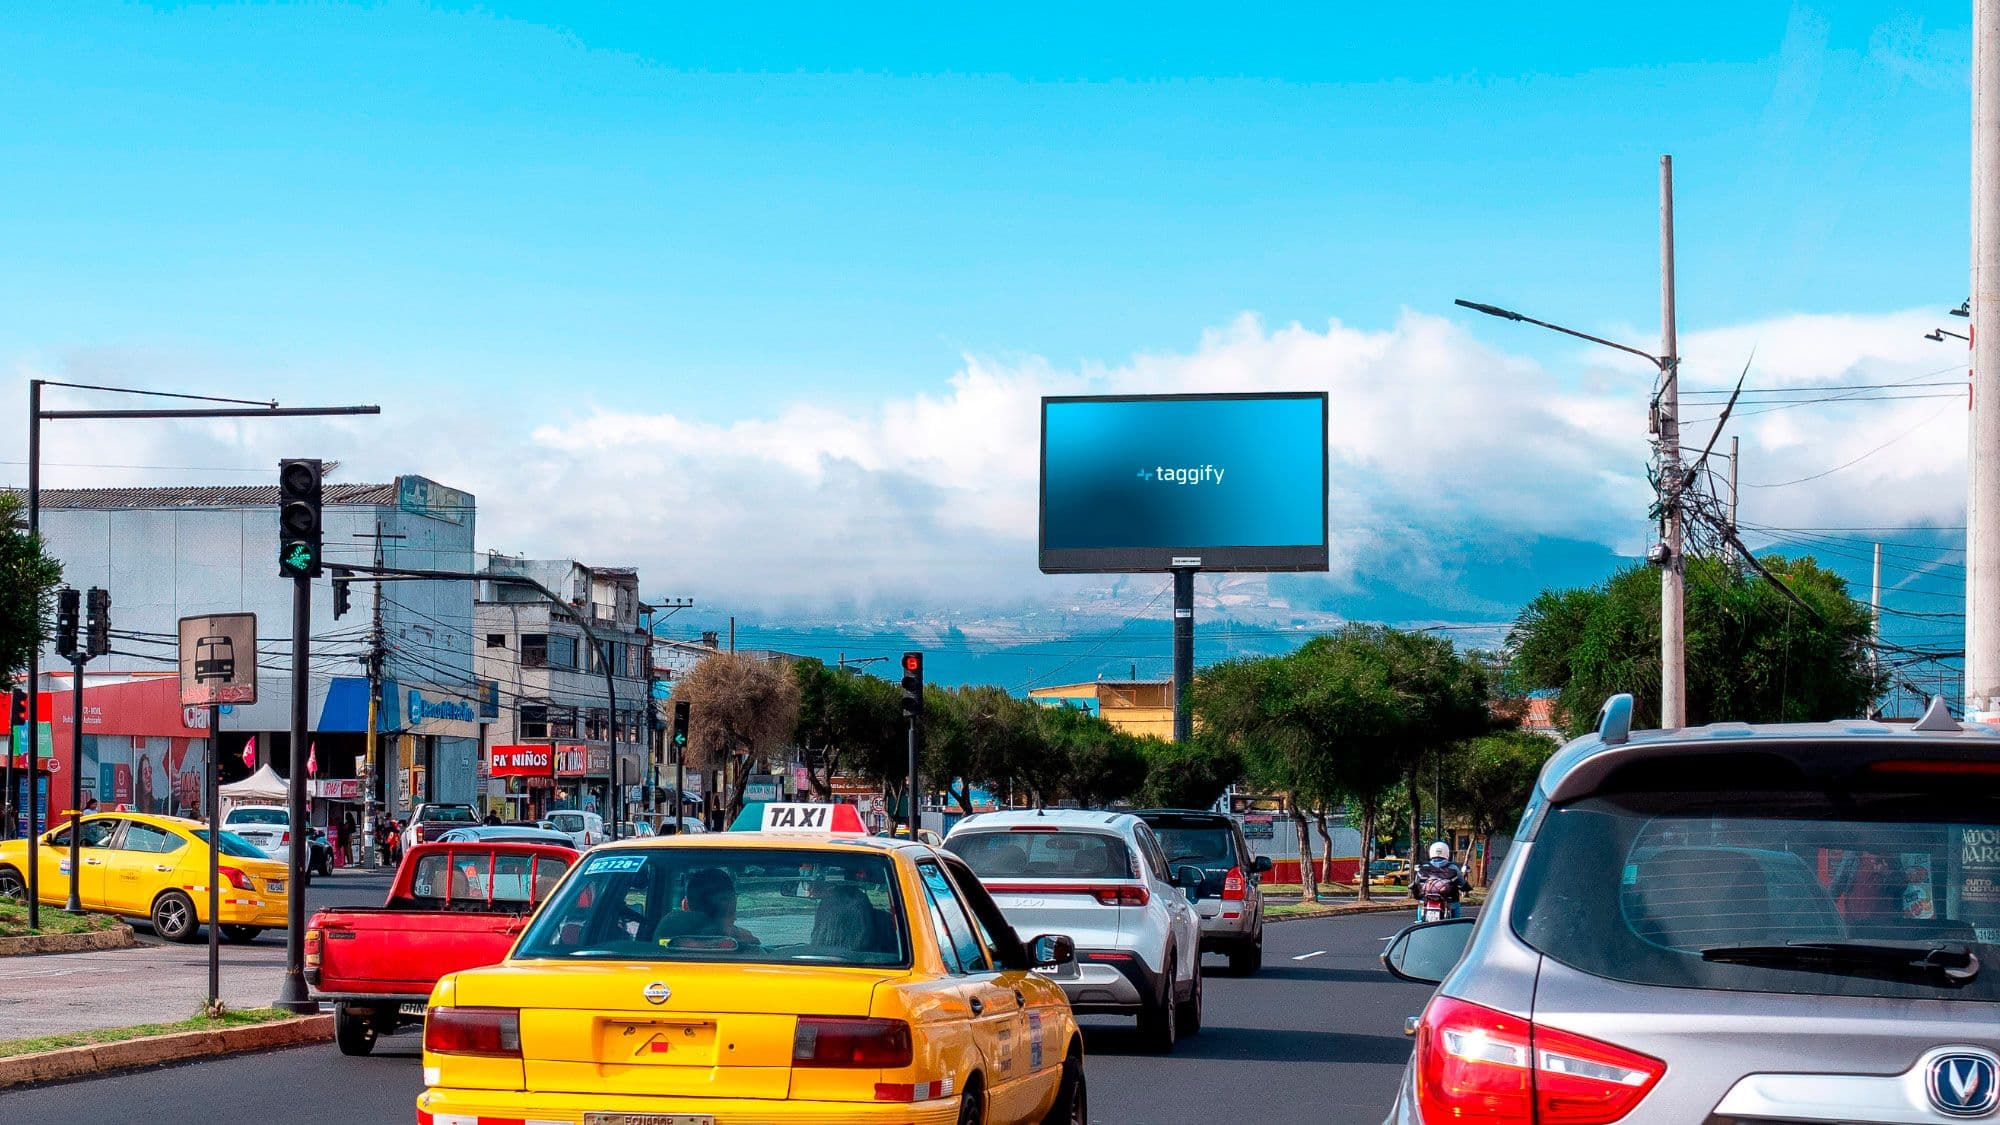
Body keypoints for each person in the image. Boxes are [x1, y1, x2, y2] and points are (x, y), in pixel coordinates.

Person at [654, 868, 759, 946]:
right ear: (732, 905)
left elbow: (657, 945)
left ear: (685, 904)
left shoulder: (667, 930)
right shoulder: (748, 945)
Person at [1410, 841, 1471, 920]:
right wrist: (1466, 888)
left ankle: (1419, 923)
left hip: (1426, 900)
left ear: (1431, 852)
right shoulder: (1453, 867)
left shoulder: (1424, 867)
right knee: (1456, 910)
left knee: (1421, 904)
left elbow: (1416, 883)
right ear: (1446, 853)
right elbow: (1462, 883)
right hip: (1450, 901)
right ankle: (1456, 926)